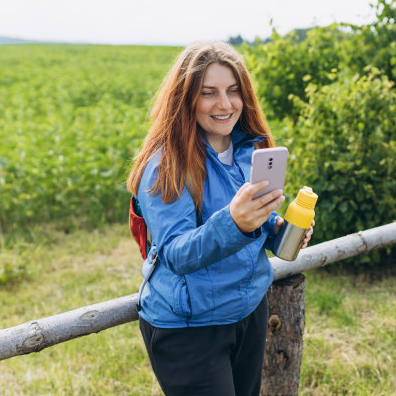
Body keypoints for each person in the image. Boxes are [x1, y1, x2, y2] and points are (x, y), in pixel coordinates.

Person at [126, 41, 314, 396]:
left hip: (248, 311)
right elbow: (177, 254)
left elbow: (254, 223)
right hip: (190, 327)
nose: (224, 104)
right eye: (208, 93)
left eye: (233, 91)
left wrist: (278, 230)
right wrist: (235, 222)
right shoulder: (166, 166)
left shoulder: (249, 149)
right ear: (186, 99)